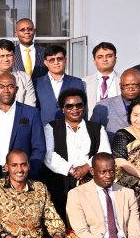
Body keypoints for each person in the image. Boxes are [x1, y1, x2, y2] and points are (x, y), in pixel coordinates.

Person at [42, 88, 110, 219]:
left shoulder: (97, 128)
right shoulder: (51, 127)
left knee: (91, 217)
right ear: (63, 109)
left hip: (90, 179)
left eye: (79, 105)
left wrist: (86, 167)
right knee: (61, 217)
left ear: (84, 107)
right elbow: (49, 154)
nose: (75, 109)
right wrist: (71, 170)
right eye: (69, 106)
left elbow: (104, 153)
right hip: (60, 180)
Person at [0, 72, 46, 184]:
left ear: (16, 89)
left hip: (23, 177)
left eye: (10, 86)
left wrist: (26, 172)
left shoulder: (31, 113)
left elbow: (39, 148)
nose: (6, 90)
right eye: (1, 86)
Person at [90, 67, 140, 141]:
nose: (130, 89)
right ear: (120, 86)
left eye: (135, 85)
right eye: (126, 85)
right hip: (112, 154)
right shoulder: (102, 107)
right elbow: (92, 136)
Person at [33, 44, 85, 126]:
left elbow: (82, 109)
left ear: (65, 60)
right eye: (52, 60)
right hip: (44, 130)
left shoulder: (77, 82)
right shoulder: (36, 83)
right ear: (46, 63)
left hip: (71, 130)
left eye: (59, 59)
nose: (56, 63)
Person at [82, 42, 120, 109]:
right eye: (100, 57)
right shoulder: (84, 82)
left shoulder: (123, 80)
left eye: (109, 56)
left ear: (115, 59)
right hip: (92, 119)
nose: (105, 59)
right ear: (94, 61)